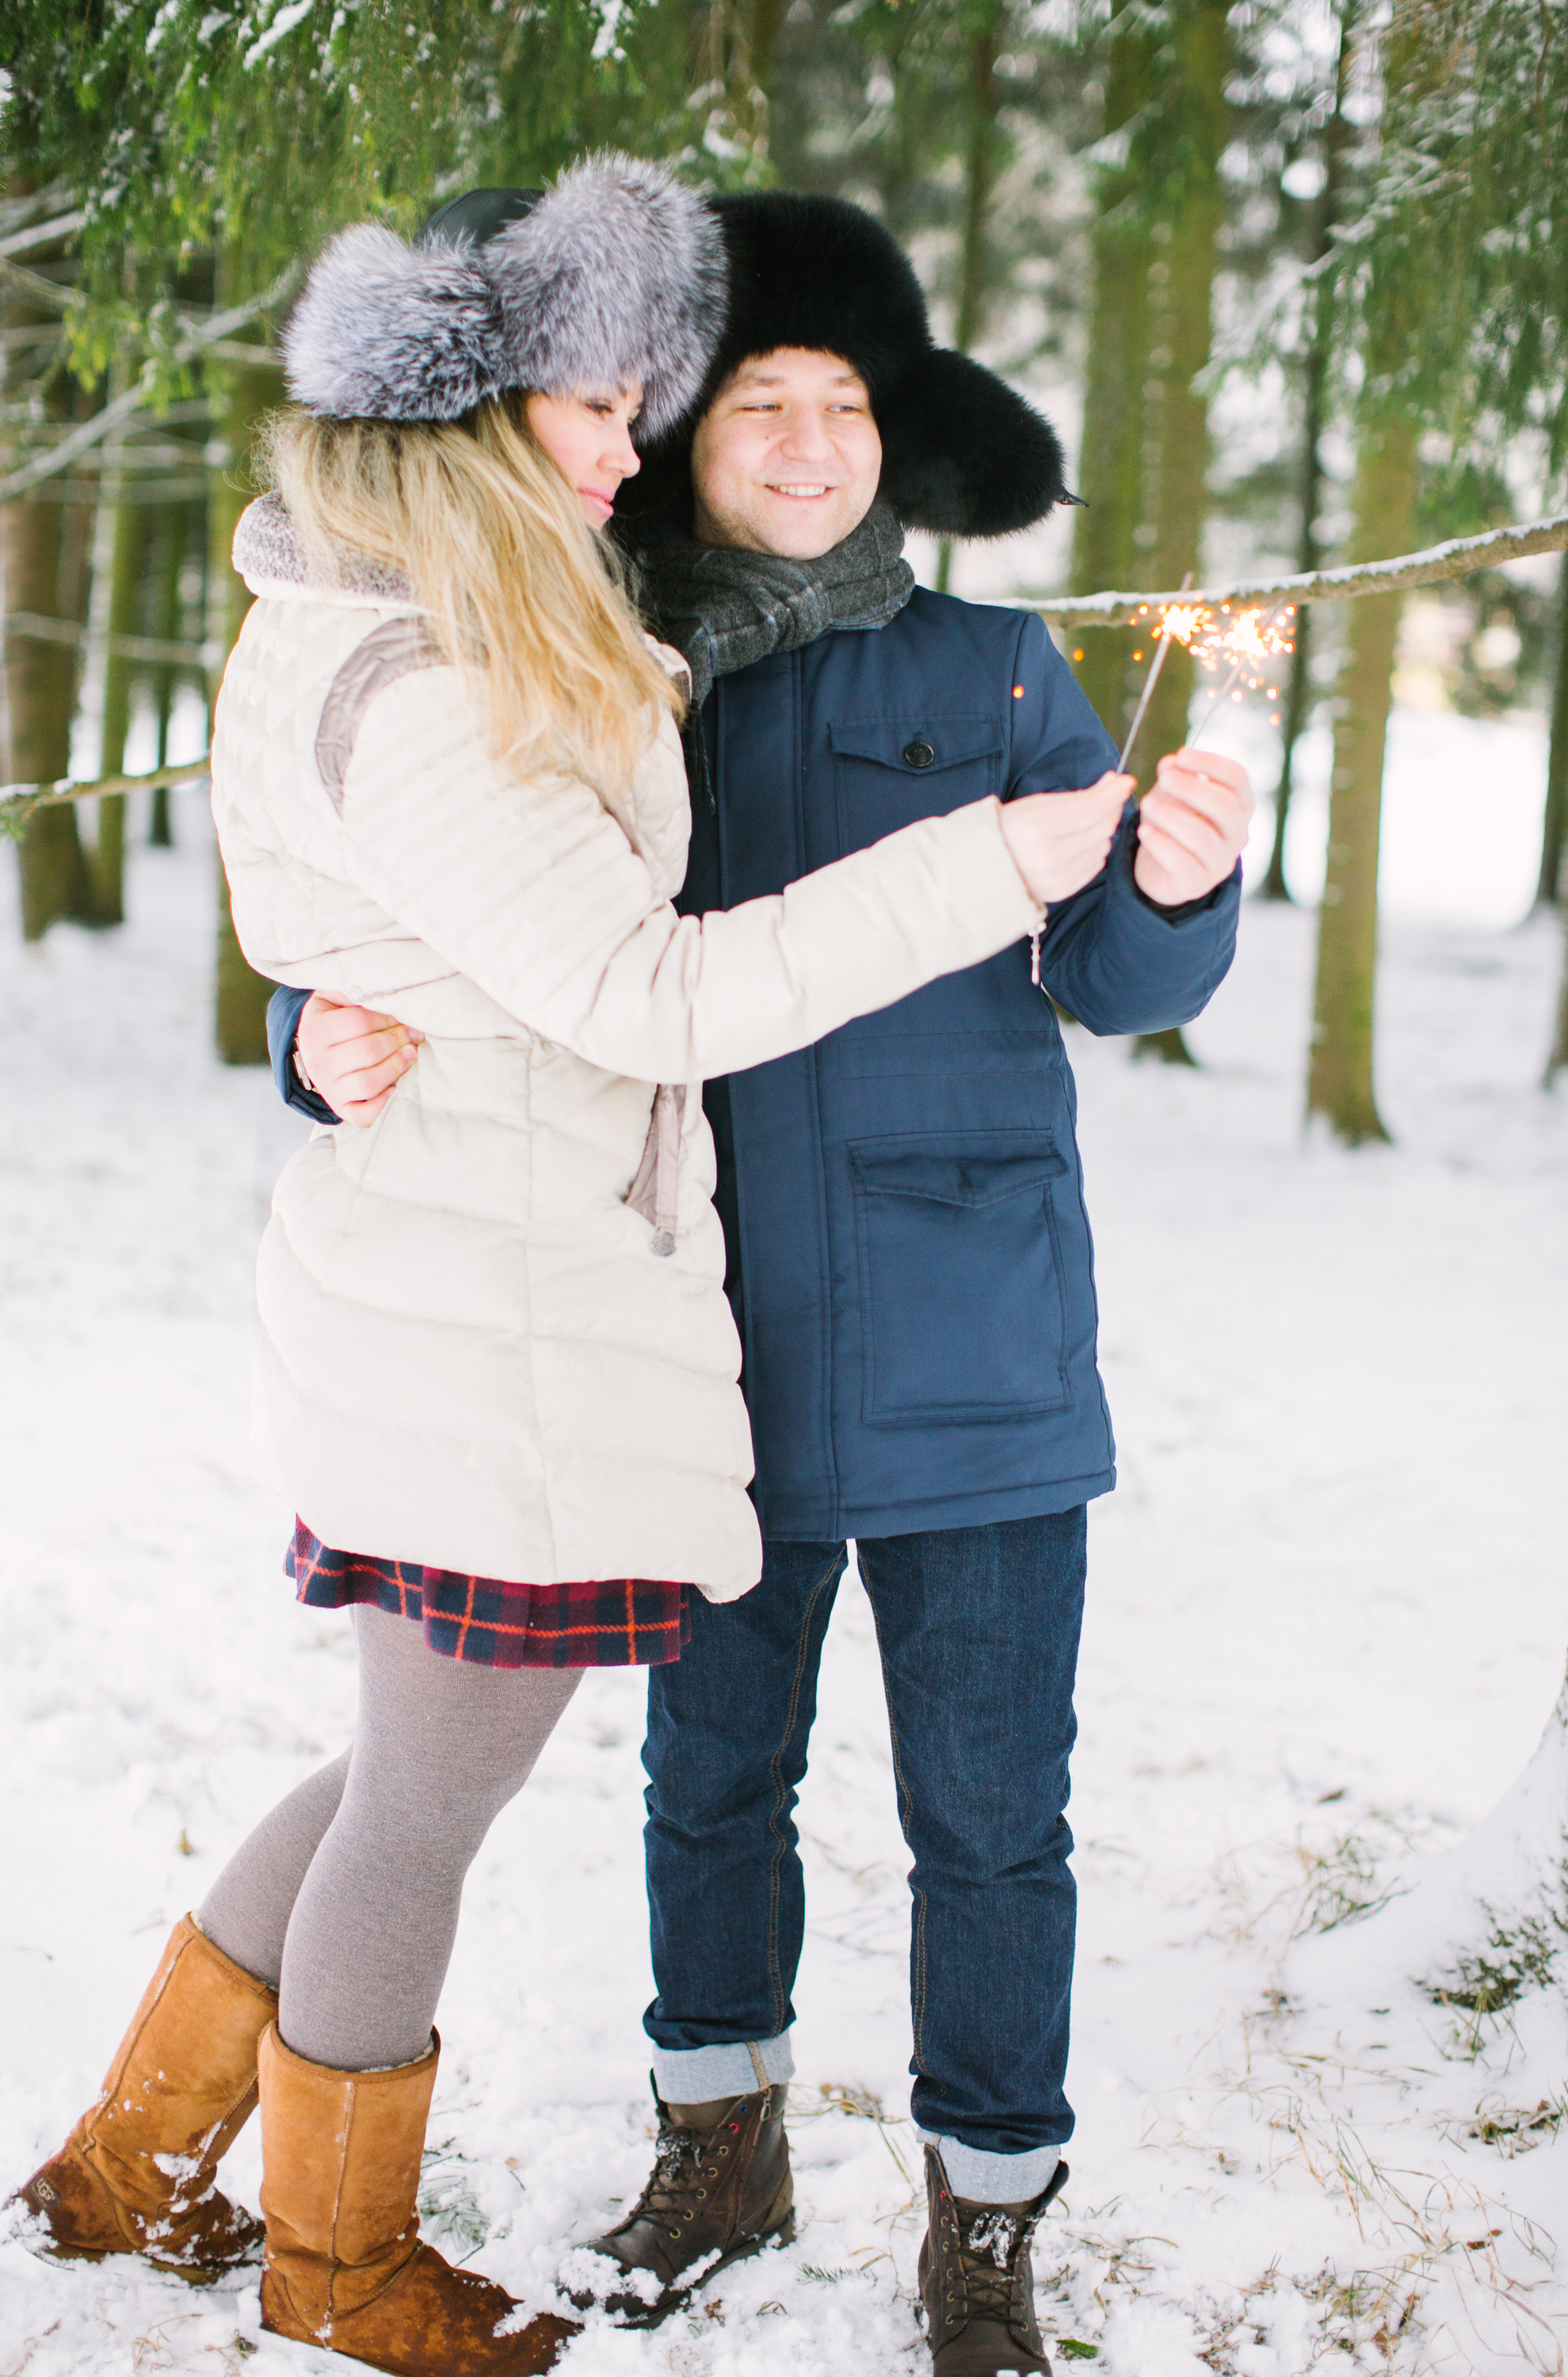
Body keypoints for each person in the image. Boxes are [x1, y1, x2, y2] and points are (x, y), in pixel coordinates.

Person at [8, 163, 1128, 2377]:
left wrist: (319, 1022)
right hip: (493, 1317)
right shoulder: (428, 665)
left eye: (642, 404)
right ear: (481, 403)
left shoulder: (444, 602)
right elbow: (638, 990)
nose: (640, 443)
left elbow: (408, 928)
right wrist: (980, 862)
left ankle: (130, 2169)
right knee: (426, 1803)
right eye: (607, 404)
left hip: (462, 1283)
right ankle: (338, 2267)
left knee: (389, 1779)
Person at [273, 191, 1253, 2377]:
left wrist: (1181, 890)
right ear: (683, 436)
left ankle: (987, 2220)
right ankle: (719, 2148)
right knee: (712, 1785)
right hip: (694, 1356)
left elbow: (1111, 974)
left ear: (897, 438)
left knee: (990, 1820)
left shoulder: (999, 670)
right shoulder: (576, 666)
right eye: (763, 407)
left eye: (849, 408)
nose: (812, 446)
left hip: (979, 1357)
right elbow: (428, 914)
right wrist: (305, 1035)